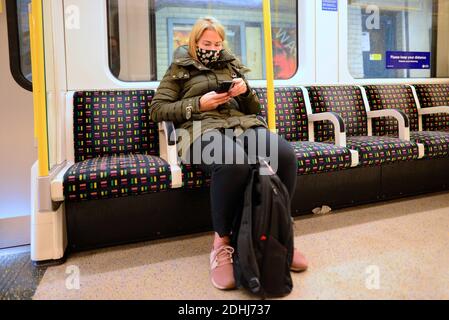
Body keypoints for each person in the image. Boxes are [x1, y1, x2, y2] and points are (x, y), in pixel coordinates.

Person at [150, 17, 308, 290]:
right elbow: (157, 109)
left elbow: (254, 109)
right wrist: (198, 103)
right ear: (195, 43)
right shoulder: (179, 68)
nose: (212, 47)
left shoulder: (231, 65)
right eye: (207, 43)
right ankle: (222, 243)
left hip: (241, 126)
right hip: (199, 130)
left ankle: (278, 231)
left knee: (284, 155)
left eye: (217, 43)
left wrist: (245, 92)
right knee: (234, 163)